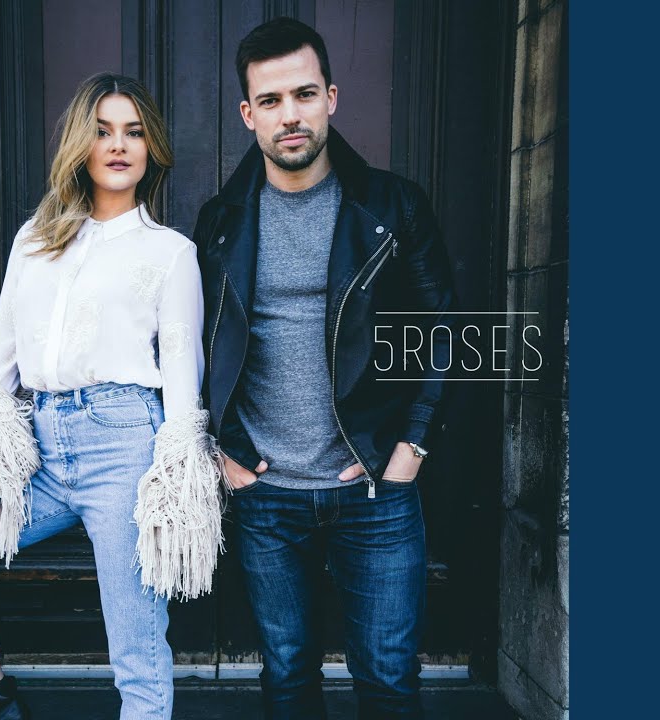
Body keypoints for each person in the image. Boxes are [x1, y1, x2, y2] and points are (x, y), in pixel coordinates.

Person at [0, 72, 222, 720]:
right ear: (80, 144)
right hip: (38, 455)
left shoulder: (170, 253)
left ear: (150, 147)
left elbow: (184, 376)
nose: (118, 145)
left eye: (133, 132)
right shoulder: (34, 242)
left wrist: (174, 487)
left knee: (137, 651)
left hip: (125, 448)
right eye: (103, 131)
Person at [191, 18, 455, 720]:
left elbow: (445, 329)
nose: (290, 115)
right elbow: (191, 343)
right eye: (270, 100)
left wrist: (413, 443)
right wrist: (220, 446)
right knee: (286, 679)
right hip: (266, 494)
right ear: (247, 114)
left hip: (375, 487)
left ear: (331, 98)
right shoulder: (218, 223)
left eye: (304, 94)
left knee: (388, 681)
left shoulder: (394, 206)